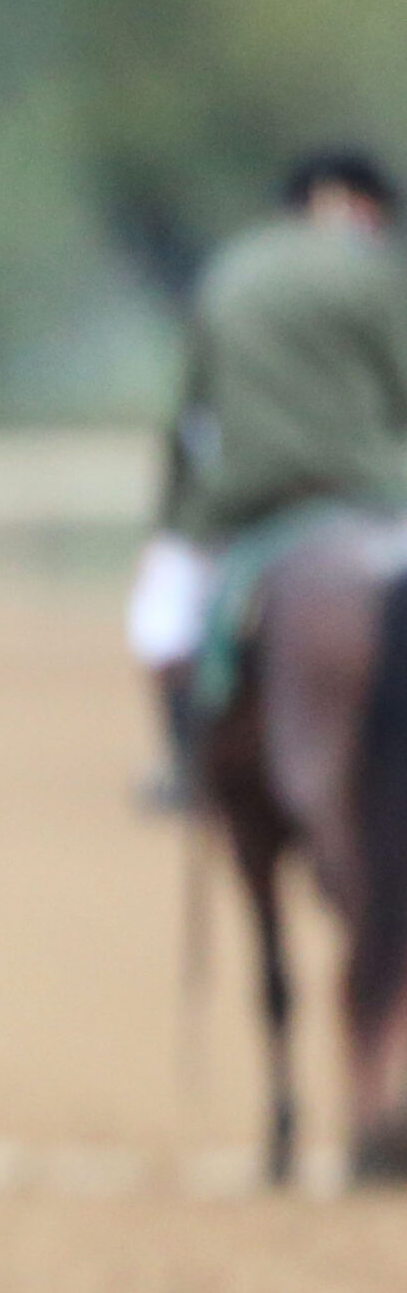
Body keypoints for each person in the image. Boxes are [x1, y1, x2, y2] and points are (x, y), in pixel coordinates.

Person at [131, 148, 407, 805]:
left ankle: (188, 768)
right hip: (373, 494)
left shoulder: (231, 273)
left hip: (245, 503)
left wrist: (176, 521)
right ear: (365, 208)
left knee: (163, 619)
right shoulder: (377, 275)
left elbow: (190, 415)